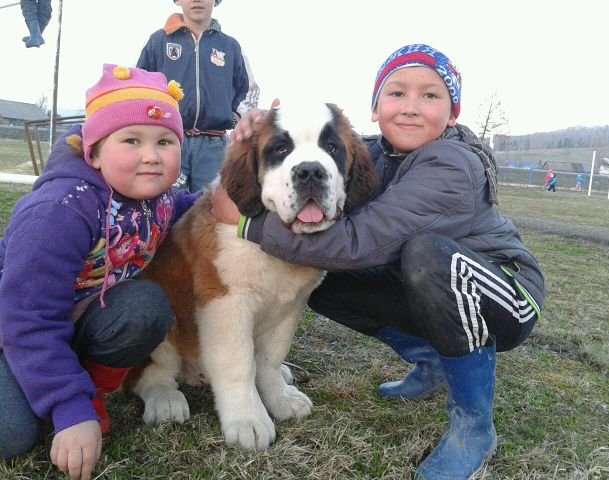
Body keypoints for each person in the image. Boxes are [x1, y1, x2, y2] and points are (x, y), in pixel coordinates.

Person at [213, 43, 545, 480]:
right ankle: (432, 360)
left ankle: (473, 425)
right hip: (433, 285)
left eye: (430, 95)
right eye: (396, 93)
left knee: (426, 256)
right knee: (323, 279)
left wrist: (246, 224)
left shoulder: (452, 165)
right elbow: (311, 143)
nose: (410, 107)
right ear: (375, 108)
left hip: (506, 293)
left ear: (453, 113)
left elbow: (354, 244)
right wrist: (258, 131)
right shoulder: (370, 150)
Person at [0, 64, 200, 480]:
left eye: (165, 141)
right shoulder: (59, 211)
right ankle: (66, 392)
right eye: (132, 140)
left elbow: (184, 207)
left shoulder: (156, 197)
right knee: (12, 433)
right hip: (13, 329)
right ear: (92, 153)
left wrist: (221, 199)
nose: (151, 155)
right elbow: (26, 318)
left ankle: (84, 386)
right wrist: (68, 408)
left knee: (144, 307)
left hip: (74, 317)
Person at [137, 0, 258, 193]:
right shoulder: (159, 41)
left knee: (210, 203)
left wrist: (236, 118)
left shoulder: (230, 46)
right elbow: (140, 85)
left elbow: (249, 90)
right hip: (170, 140)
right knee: (165, 200)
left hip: (214, 147)